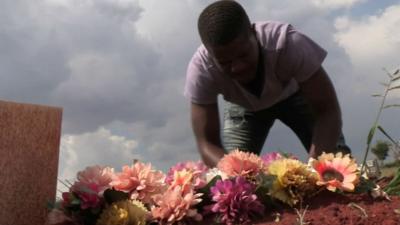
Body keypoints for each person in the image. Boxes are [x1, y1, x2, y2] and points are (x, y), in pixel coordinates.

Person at [184, 0, 351, 167]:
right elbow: (207, 142)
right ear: (209, 54)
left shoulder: (288, 44)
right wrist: (233, 175)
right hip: (244, 107)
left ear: (253, 33)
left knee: (335, 166)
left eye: (244, 55)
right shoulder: (201, 70)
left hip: (296, 95)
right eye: (225, 62)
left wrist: (315, 171)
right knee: (229, 176)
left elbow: (327, 111)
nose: (237, 67)